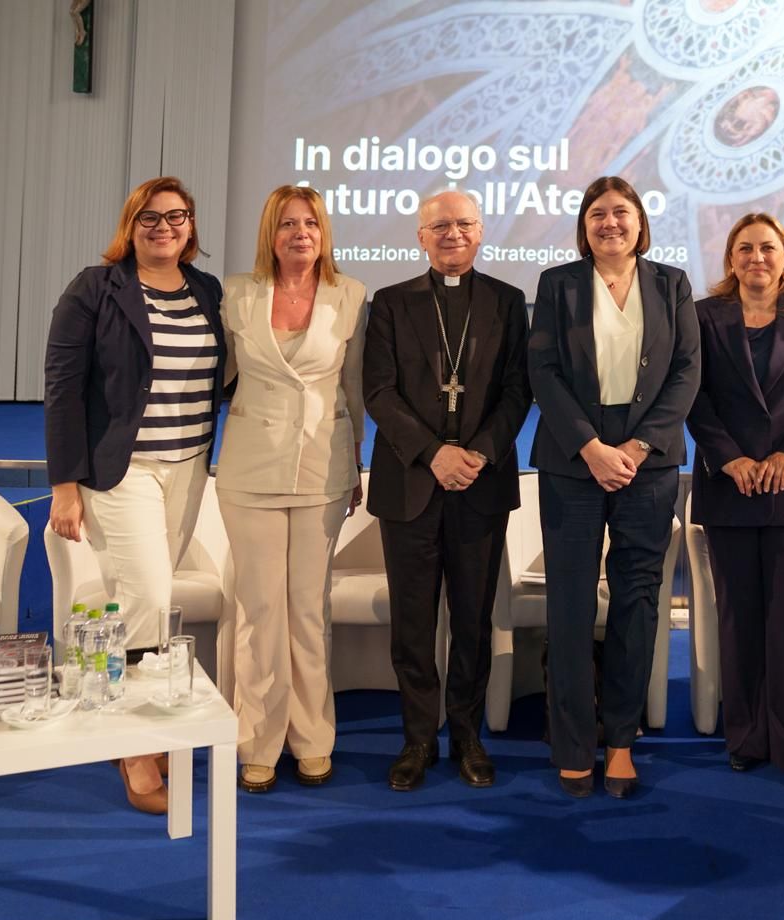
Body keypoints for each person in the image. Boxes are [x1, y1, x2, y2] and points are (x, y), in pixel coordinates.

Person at [44, 176, 227, 814]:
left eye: (176, 217)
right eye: (149, 218)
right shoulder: (95, 289)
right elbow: (63, 388)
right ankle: (138, 750)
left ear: (192, 226)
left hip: (188, 465)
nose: (164, 228)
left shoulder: (207, 290)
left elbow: (219, 380)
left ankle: (131, 716)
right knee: (150, 594)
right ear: (131, 224)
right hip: (122, 471)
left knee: (144, 599)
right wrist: (64, 485)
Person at [528, 175, 700, 799]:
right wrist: (591, 447)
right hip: (575, 461)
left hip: (647, 464)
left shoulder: (671, 284)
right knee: (570, 605)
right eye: (597, 214)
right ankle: (573, 743)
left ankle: (622, 741)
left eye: (620, 212)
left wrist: (634, 447)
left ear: (639, 221)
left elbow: (686, 371)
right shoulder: (558, 285)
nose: (610, 223)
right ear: (584, 225)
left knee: (638, 601)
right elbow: (541, 371)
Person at [364, 190, 532, 791]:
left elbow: (519, 391)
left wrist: (479, 453)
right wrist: (434, 453)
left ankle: (466, 736)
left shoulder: (509, 303)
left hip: (480, 486)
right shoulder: (389, 303)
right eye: (439, 226)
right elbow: (378, 391)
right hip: (411, 482)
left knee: (472, 620)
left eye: (463, 224)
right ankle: (416, 739)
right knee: (412, 625)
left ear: (481, 232)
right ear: (420, 237)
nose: (452, 234)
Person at [216, 185, 366, 793]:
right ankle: (258, 739)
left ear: (324, 232)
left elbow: (353, 389)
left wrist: (357, 463)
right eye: (286, 225)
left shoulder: (350, 295)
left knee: (308, 609)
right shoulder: (235, 294)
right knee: (259, 611)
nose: (299, 234)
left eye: (309, 223)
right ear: (269, 235)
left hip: (322, 471)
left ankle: (312, 738)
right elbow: (211, 377)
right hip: (249, 470)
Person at [688, 213, 784, 794]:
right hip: (729, 486)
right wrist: (729, 458)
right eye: (745, 248)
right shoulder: (703, 317)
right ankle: (747, 738)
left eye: (768, 248)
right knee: (740, 619)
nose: (757, 257)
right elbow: (692, 393)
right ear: (731, 259)